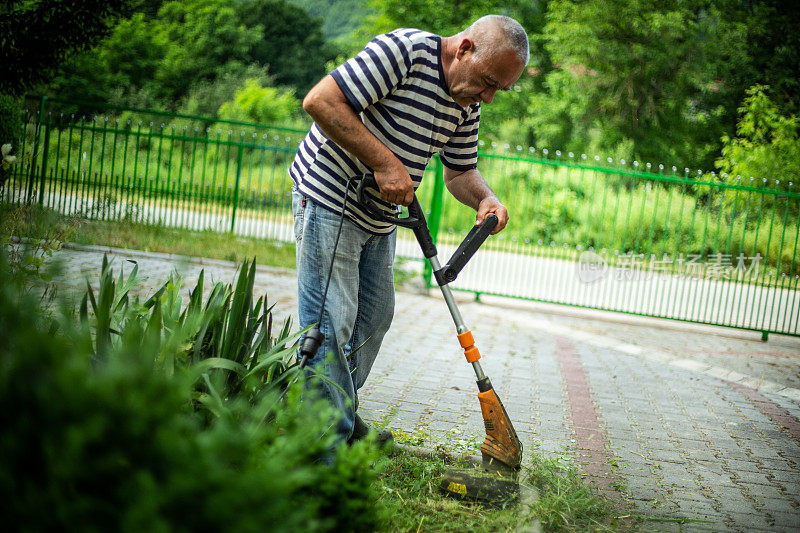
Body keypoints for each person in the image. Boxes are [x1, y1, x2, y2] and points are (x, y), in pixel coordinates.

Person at [290, 15, 529, 445]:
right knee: (331, 325)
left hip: (379, 217)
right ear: (465, 48)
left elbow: (460, 172)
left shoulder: (466, 101)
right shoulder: (404, 52)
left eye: (500, 90)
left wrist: (485, 199)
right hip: (331, 197)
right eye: (489, 81)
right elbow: (320, 101)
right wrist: (384, 162)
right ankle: (323, 451)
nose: (489, 98)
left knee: (374, 320)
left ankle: (333, 416)